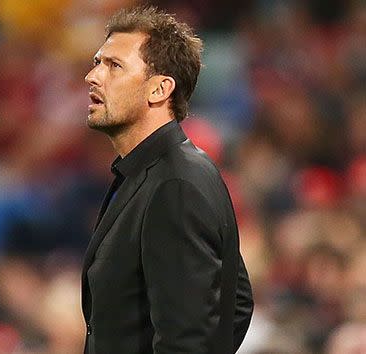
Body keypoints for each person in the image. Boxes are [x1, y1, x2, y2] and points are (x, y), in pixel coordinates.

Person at [81, 5, 253, 353]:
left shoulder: (176, 184)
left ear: (160, 90)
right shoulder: (149, 174)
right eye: (98, 62)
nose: (93, 76)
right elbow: (236, 303)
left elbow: (189, 341)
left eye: (114, 66)